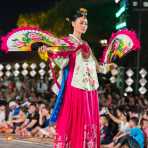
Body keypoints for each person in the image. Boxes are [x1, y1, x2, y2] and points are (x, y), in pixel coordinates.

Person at [38, 8, 117, 147]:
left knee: (87, 120)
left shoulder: (86, 44)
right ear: (73, 23)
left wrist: (109, 66)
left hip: (90, 90)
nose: (84, 25)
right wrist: (48, 53)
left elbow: (97, 67)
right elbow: (62, 63)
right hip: (75, 88)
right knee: (75, 119)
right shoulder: (66, 42)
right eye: (81, 22)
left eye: (86, 23)